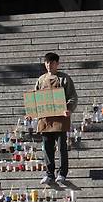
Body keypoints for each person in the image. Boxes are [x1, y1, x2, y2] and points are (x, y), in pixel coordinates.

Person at [33, 52, 78, 185]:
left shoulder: (64, 79)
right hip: (45, 119)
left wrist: (69, 109)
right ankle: (49, 173)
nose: (49, 65)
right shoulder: (41, 80)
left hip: (60, 119)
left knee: (61, 147)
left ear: (57, 64)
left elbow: (72, 96)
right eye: (47, 62)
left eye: (52, 62)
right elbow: (35, 98)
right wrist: (31, 110)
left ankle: (62, 173)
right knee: (47, 148)